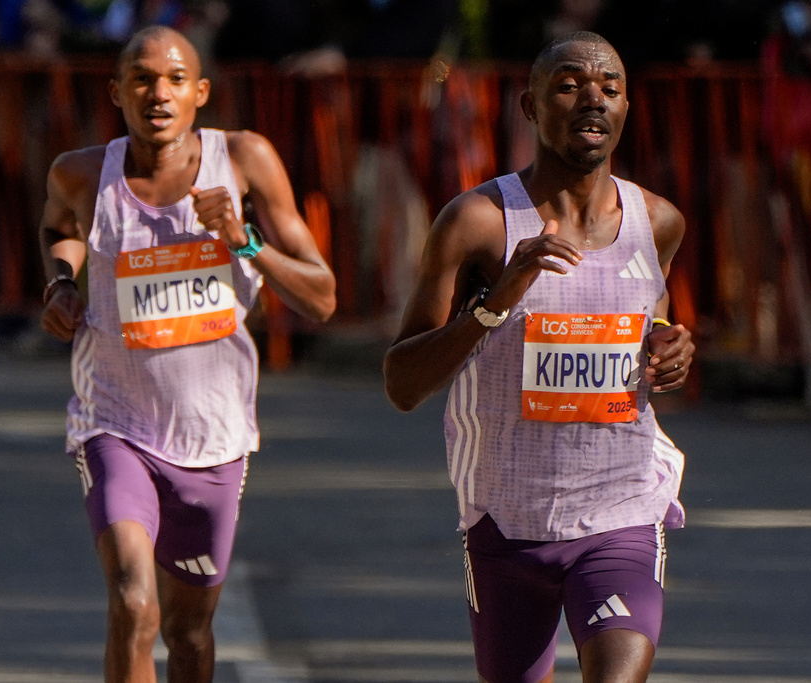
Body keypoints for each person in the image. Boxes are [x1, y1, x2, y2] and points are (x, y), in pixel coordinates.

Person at [384, 31, 695, 683]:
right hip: (507, 518)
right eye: (569, 85)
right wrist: (496, 302)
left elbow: (646, 313)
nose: (593, 99)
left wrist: (667, 341)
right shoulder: (479, 221)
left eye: (610, 88)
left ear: (628, 106)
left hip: (622, 509)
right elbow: (403, 381)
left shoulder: (657, 220)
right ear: (528, 107)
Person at [37, 25, 335, 682]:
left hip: (215, 437)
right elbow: (59, 224)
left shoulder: (247, 160)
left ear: (201, 92)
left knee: (188, 631)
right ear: (116, 92)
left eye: (175, 79)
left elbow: (321, 297)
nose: (158, 93)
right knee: (132, 602)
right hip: (114, 422)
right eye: (142, 79)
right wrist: (61, 281)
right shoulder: (83, 172)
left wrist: (244, 239)